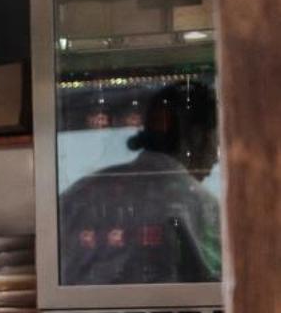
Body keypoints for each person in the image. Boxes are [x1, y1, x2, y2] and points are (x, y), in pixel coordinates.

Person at [59, 80, 221, 287]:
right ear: (198, 136)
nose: (216, 158)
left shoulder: (80, 192)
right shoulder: (196, 201)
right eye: (216, 142)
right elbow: (221, 283)